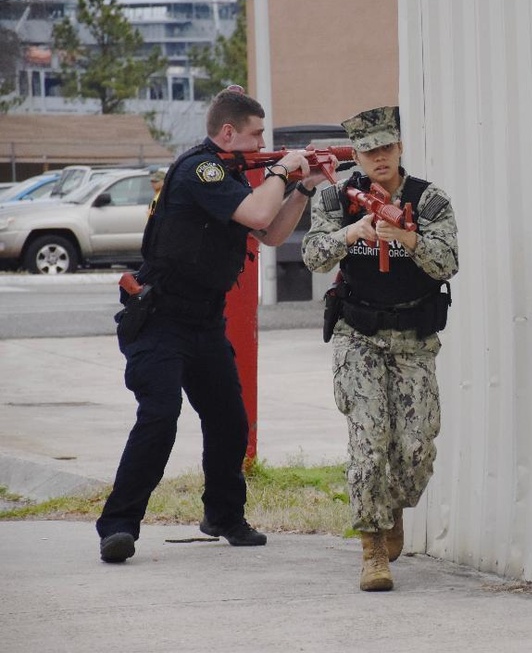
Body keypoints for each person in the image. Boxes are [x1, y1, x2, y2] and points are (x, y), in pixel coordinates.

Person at [96, 86, 327, 563]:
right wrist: (284, 170)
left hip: (203, 322)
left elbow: (270, 231)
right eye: (256, 133)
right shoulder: (203, 169)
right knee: (159, 417)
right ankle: (118, 526)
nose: (262, 143)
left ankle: (222, 515)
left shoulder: (232, 175)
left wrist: (305, 186)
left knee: (229, 421)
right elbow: (260, 210)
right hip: (161, 319)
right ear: (228, 132)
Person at [302, 106, 458, 591]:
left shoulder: (428, 200)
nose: (380, 158)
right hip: (358, 336)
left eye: (387, 148)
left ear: (400, 148)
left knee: (415, 448)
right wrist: (352, 234)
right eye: (369, 151)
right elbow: (310, 255)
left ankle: (391, 510)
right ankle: (372, 549)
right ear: (358, 155)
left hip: (413, 337)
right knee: (369, 445)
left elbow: (448, 263)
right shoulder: (335, 198)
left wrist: (408, 239)